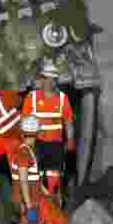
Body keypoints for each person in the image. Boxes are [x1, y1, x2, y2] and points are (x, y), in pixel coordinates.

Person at [20, 60, 75, 201]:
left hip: (55, 144)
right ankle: (38, 203)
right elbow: (24, 121)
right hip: (36, 143)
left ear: (56, 81)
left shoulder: (62, 99)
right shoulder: (31, 98)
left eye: (53, 79)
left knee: (53, 175)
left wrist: (70, 141)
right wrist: (25, 142)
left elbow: (68, 122)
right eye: (47, 78)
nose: (50, 82)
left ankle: (54, 201)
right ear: (42, 80)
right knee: (35, 174)